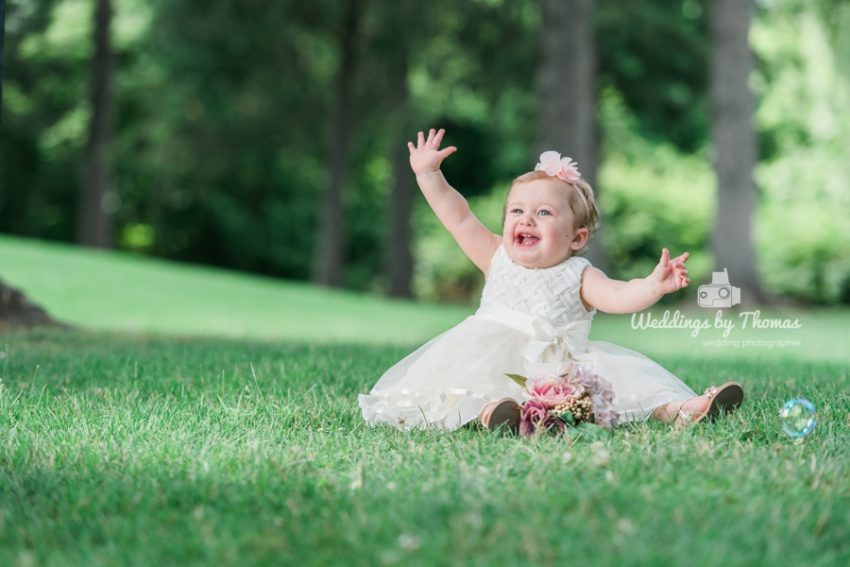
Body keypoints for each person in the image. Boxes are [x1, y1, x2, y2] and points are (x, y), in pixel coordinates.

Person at [358, 128, 743, 433]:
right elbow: (458, 217)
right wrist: (428, 174)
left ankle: (683, 409)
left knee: (625, 390)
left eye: (543, 212)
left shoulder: (580, 275)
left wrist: (652, 286)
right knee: (469, 389)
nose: (526, 220)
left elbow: (619, 295)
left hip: (561, 368)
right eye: (517, 211)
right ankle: (495, 415)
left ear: (576, 238)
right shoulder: (496, 256)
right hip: (487, 358)